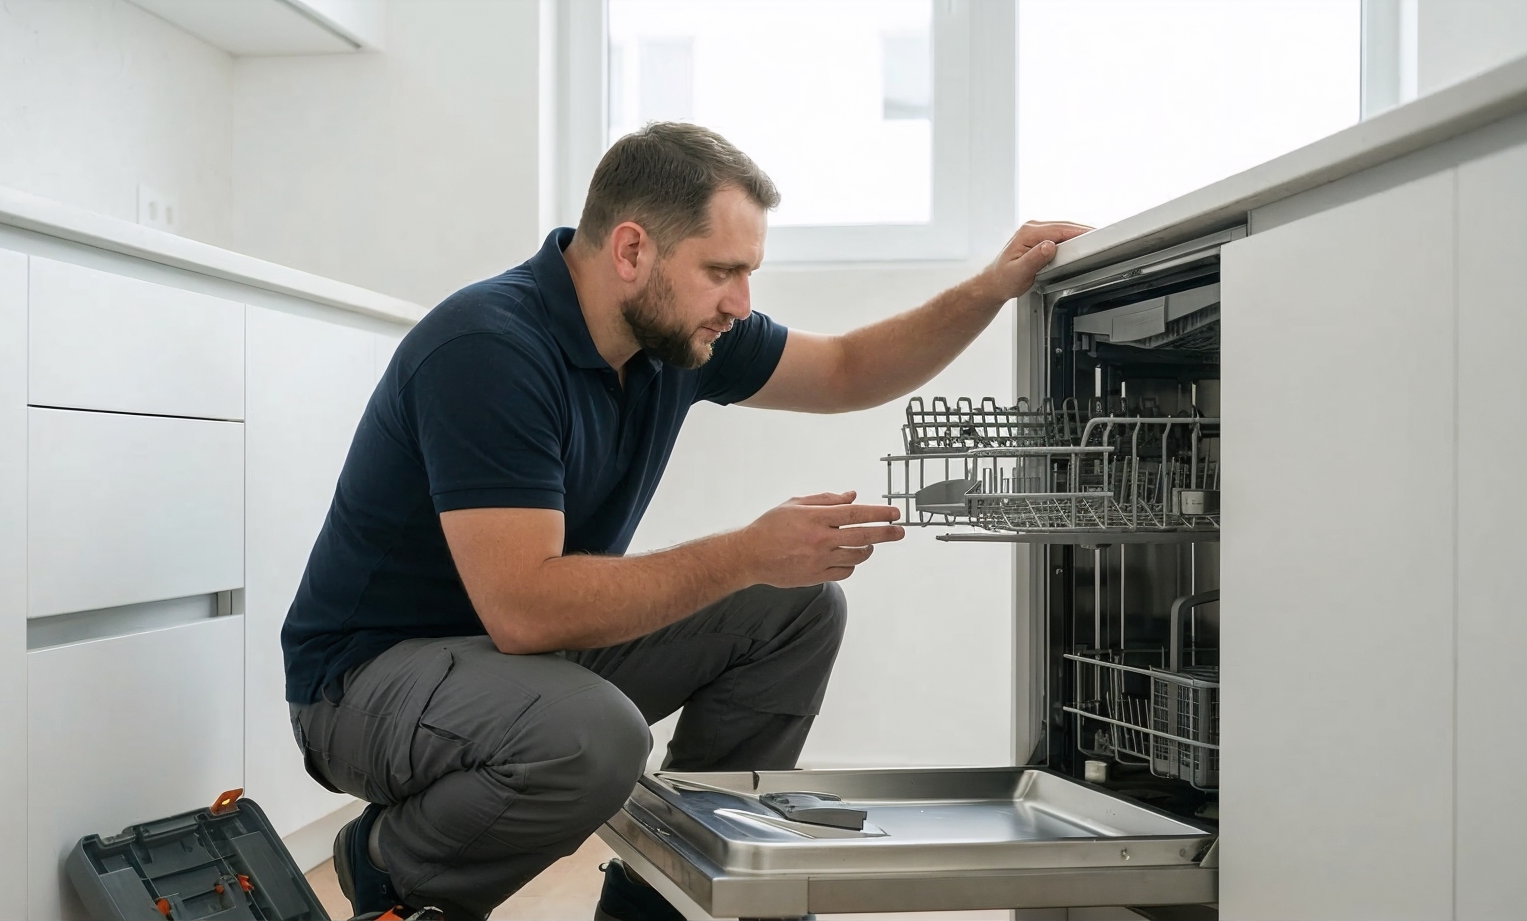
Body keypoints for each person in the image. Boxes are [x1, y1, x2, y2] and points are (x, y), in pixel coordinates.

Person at [281, 121, 1089, 921]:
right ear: (632, 250)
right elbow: (524, 610)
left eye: (748, 273)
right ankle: (393, 865)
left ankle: (660, 903)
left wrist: (988, 287)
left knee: (794, 606)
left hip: (515, 662)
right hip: (360, 686)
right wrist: (743, 552)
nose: (741, 303)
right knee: (594, 736)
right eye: (721, 271)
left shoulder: (670, 336)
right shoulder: (488, 348)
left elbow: (847, 368)